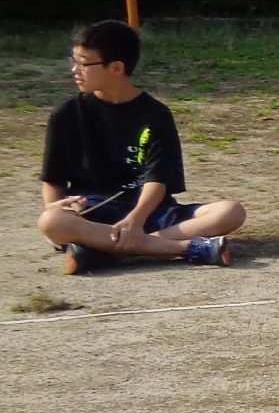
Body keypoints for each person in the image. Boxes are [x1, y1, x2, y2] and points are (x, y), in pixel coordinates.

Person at [36, 20, 245, 272]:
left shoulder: (154, 113)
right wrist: (57, 206)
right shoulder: (66, 114)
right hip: (94, 211)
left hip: (151, 212)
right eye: (74, 60)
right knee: (51, 221)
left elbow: (157, 179)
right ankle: (188, 248)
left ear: (116, 68)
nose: (74, 70)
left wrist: (136, 220)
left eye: (83, 63)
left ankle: (103, 250)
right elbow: (53, 179)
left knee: (231, 212)